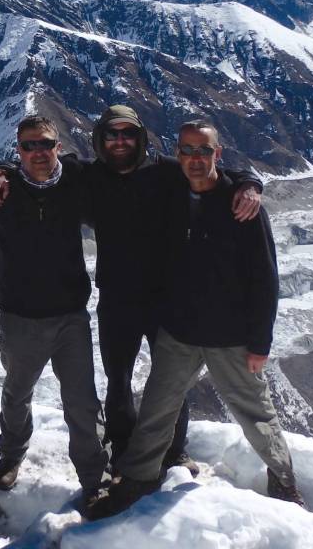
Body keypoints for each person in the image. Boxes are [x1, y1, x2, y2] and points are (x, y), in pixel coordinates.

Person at [91, 120, 303, 520]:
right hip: (180, 331)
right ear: (177, 153)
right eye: (186, 151)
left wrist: (260, 342)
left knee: (256, 412)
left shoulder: (242, 206)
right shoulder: (171, 189)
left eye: (203, 151)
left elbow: (264, 279)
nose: (194, 159)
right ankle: (137, 478)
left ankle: (284, 480)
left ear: (217, 154)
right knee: (157, 408)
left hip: (230, 336)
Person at [84, 106, 261, 477]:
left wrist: (249, 183)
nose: (120, 141)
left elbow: (218, 172)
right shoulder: (90, 176)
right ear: (101, 139)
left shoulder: (166, 171)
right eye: (112, 134)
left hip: (166, 298)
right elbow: (45, 169)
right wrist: (2, 173)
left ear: (140, 138)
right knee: (118, 380)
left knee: (170, 380)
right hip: (116, 298)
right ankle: (121, 449)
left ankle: (173, 451)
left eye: (128, 133)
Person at [0, 115, 107, 512]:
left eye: (46, 144)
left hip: (70, 315)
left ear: (59, 145)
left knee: (82, 400)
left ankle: (94, 477)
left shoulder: (76, 179)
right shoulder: (4, 190)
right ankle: (11, 455)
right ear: (17, 151)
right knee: (17, 395)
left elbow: (132, 175)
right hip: (20, 316)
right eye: (29, 146)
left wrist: (247, 180)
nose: (38, 152)